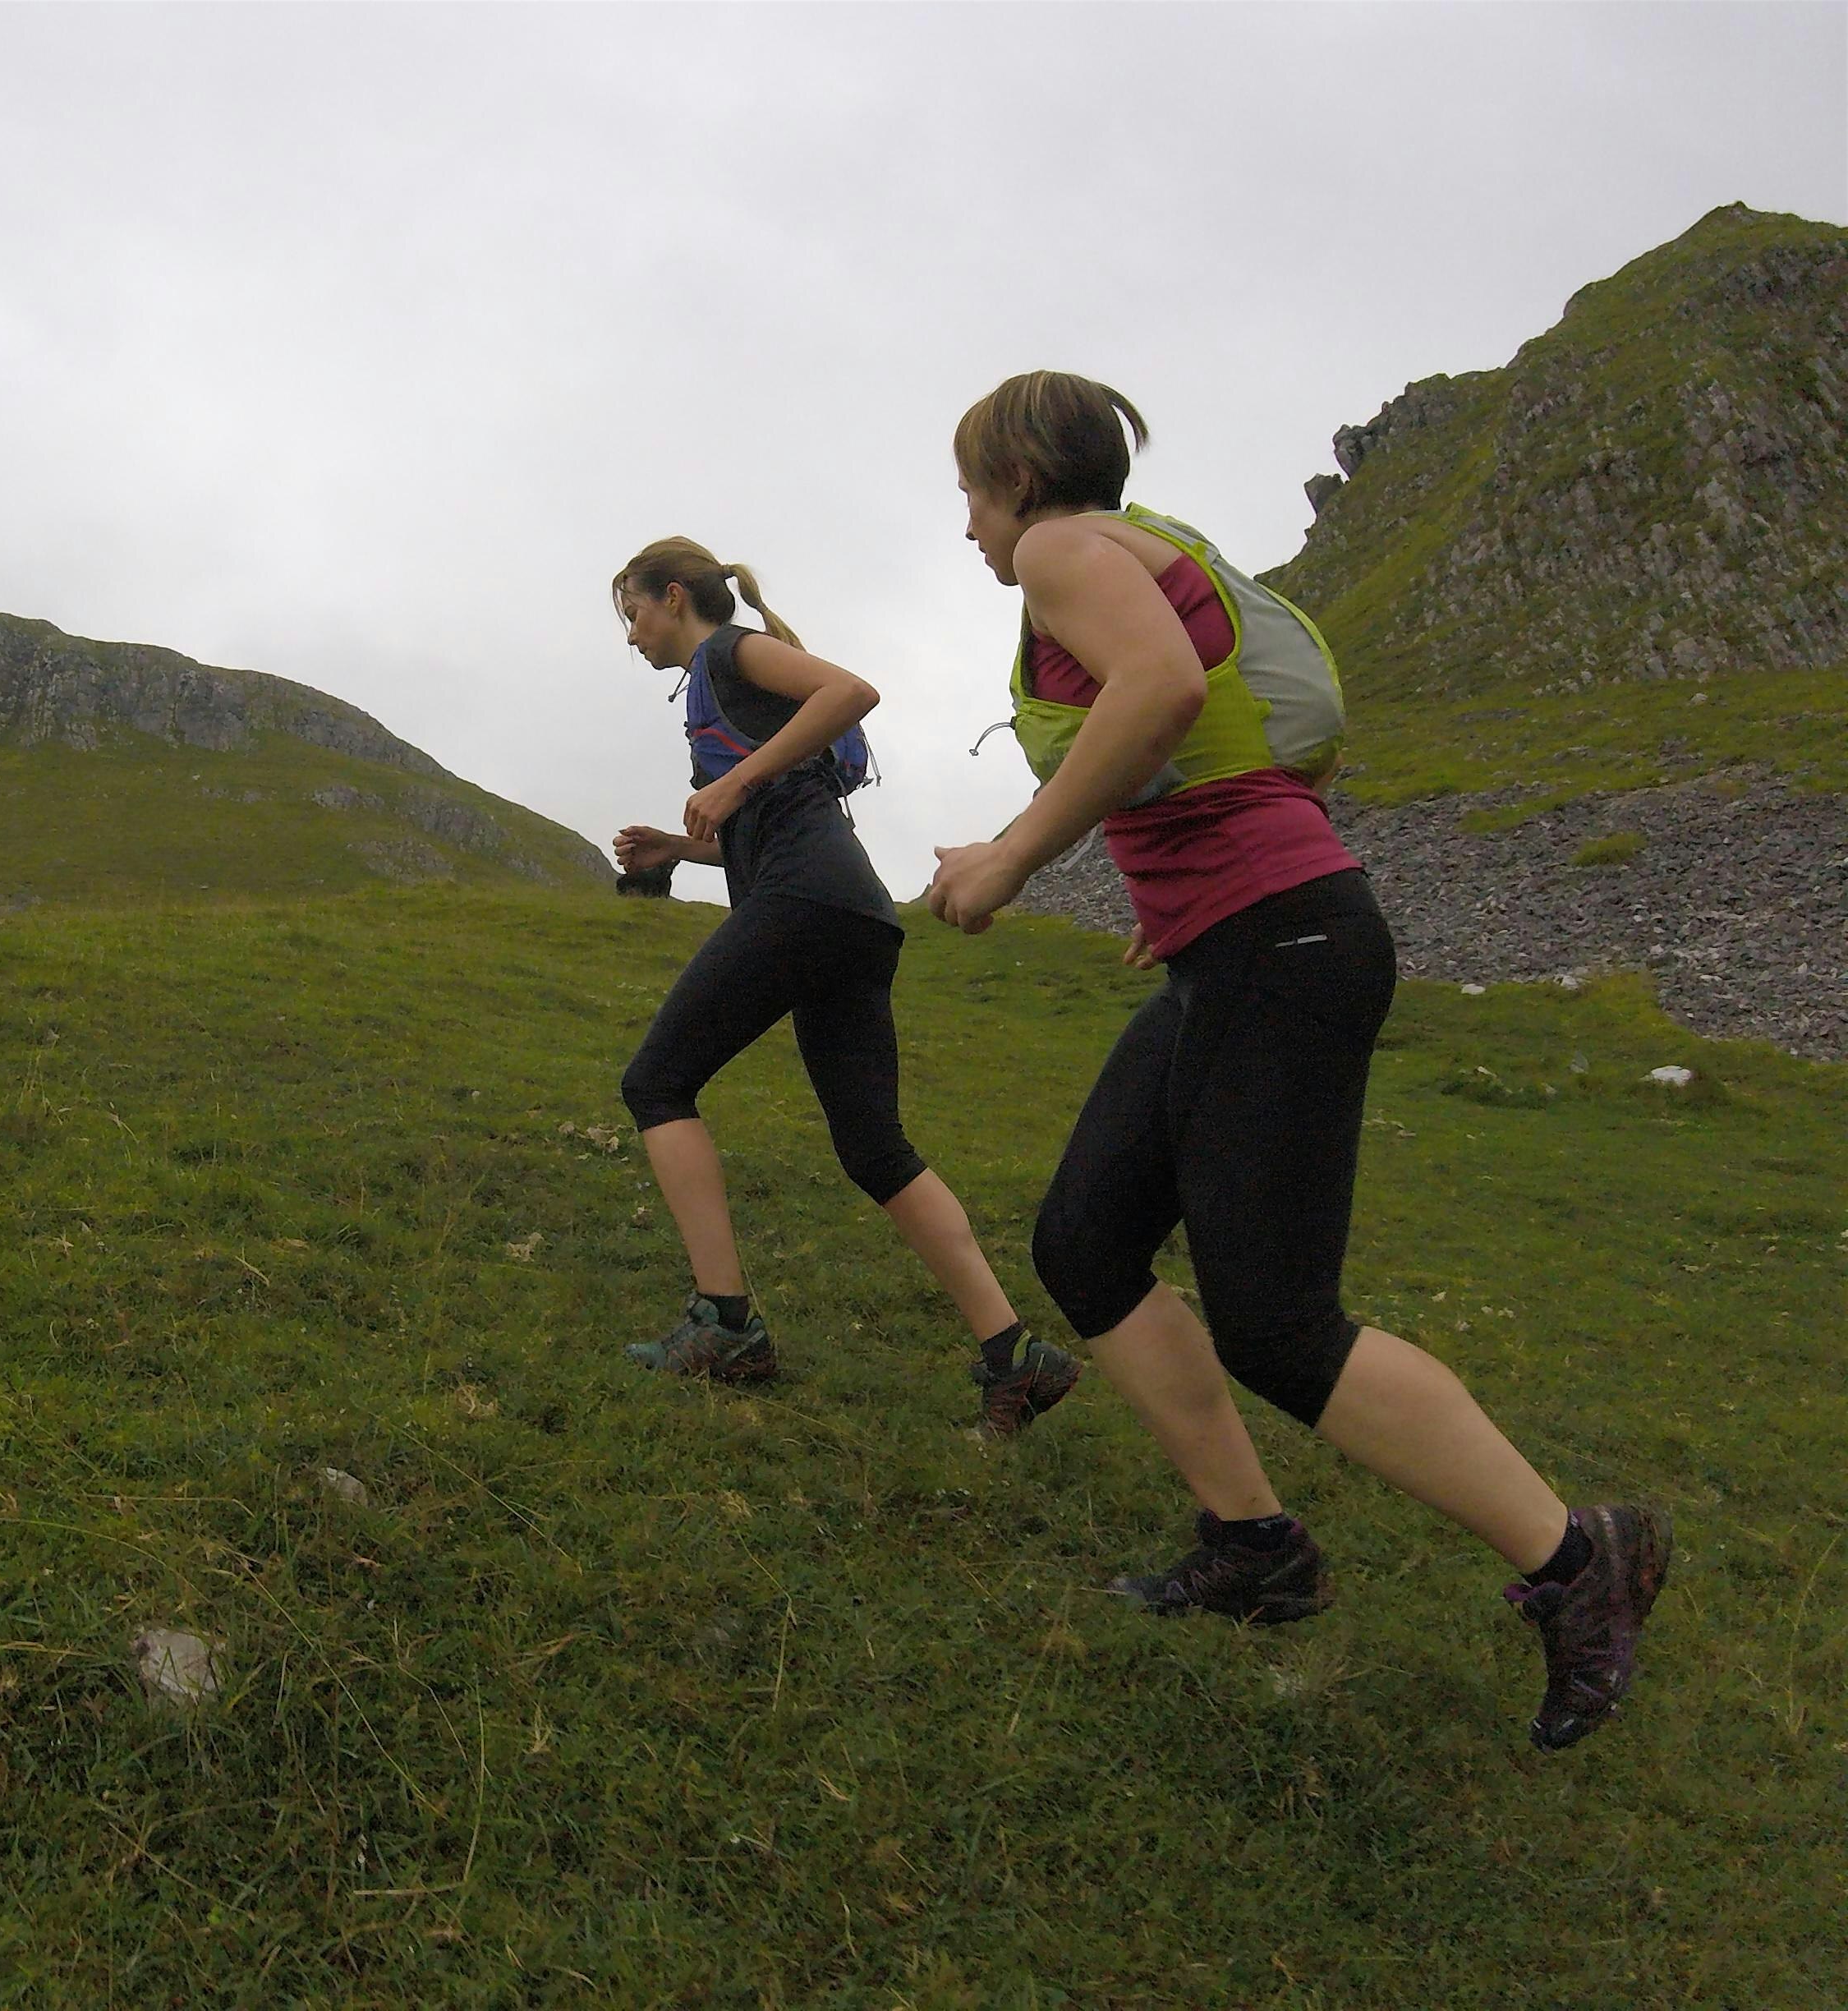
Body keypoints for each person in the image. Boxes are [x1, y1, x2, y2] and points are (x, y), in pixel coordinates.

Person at [926, 370, 1669, 1750]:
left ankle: (1579, 1560)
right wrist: (1177, 896)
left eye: (969, 492)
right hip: (1242, 942)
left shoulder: (1057, 550)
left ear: (1018, 476)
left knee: (1276, 1320)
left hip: (1278, 944)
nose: (966, 526)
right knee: (1085, 1241)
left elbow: (1152, 692)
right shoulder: (1156, 548)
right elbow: (1233, 739)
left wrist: (1011, 857)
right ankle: (1253, 1542)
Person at [609, 537, 1075, 1433]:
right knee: (873, 1147)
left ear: (673, 597)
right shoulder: (722, 689)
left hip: (807, 901)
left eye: (633, 613)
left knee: (656, 1083)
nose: (631, 637)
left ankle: (726, 1323)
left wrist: (734, 779)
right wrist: (681, 851)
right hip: (848, 913)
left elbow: (852, 691)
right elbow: (775, 822)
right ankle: (1015, 1356)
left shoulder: (727, 650)